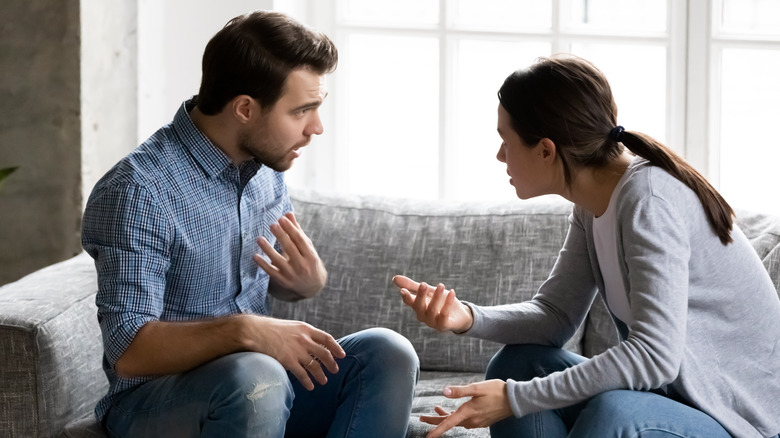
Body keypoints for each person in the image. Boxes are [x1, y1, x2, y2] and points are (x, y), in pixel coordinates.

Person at [393, 54, 780, 438]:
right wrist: (467, 317)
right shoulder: (591, 204)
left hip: (741, 423)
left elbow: (654, 357)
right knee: (517, 364)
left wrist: (515, 399)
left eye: (505, 142)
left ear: (546, 149)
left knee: (616, 413)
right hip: (676, 402)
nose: (500, 156)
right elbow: (555, 316)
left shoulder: (649, 201)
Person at [82, 10, 418, 438]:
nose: (316, 127)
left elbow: (238, 281)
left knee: (388, 353)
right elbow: (128, 351)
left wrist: (303, 283)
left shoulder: (264, 166)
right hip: (156, 402)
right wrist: (247, 332)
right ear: (245, 109)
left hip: (263, 390)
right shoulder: (138, 191)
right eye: (302, 111)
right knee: (256, 376)